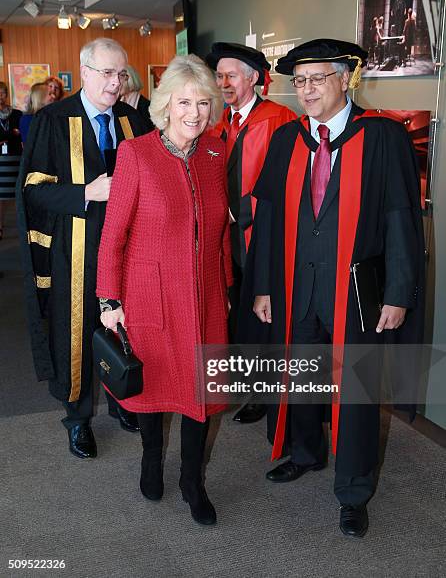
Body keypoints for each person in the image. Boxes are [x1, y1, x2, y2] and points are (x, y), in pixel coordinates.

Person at [239, 38, 424, 538]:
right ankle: (305, 452)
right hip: (296, 286)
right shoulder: (287, 140)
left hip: (357, 290)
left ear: (347, 78)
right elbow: (270, 219)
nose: (306, 90)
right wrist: (263, 287)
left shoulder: (382, 137)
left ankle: (354, 488)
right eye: (299, 81)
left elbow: (400, 219)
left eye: (317, 78)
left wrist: (399, 292)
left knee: (357, 389)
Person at [96, 54, 232, 526]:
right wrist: (109, 301)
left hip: (206, 295)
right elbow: (113, 236)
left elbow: (221, 230)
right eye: (183, 102)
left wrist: (228, 285)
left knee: (202, 391)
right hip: (150, 296)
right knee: (152, 387)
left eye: (202, 102)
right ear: (166, 105)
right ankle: (151, 457)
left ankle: (192, 481)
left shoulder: (216, 153)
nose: (193, 113)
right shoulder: (136, 154)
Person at [16, 38, 148, 459]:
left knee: (123, 328)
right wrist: (85, 192)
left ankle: (122, 400)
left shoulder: (133, 119)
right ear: (85, 72)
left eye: (121, 74)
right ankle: (77, 419)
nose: (115, 82)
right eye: (107, 73)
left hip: (126, 249)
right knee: (76, 334)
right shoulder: (53, 120)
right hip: (75, 251)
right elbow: (33, 191)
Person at [206, 42, 296, 423]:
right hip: (228, 242)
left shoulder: (279, 119)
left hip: (263, 237)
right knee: (239, 313)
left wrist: (238, 210)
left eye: (231, 75)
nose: (223, 82)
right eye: (219, 75)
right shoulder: (219, 122)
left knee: (265, 315)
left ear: (254, 78)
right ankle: (247, 386)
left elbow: (285, 185)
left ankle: (265, 396)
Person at [0, 81, 22, 239]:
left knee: (16, 194)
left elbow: (20, 133)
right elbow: (14, 133)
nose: (0, 96)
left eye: (2, 92)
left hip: (15, 158)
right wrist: (11, 134)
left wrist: (7, 136)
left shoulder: (16, 114)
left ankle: (21, 226)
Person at [119, 65, 154, 132]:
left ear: (130, 80)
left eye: (122, 78)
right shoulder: (117, 104)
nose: (117, 83)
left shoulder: (147, 107)